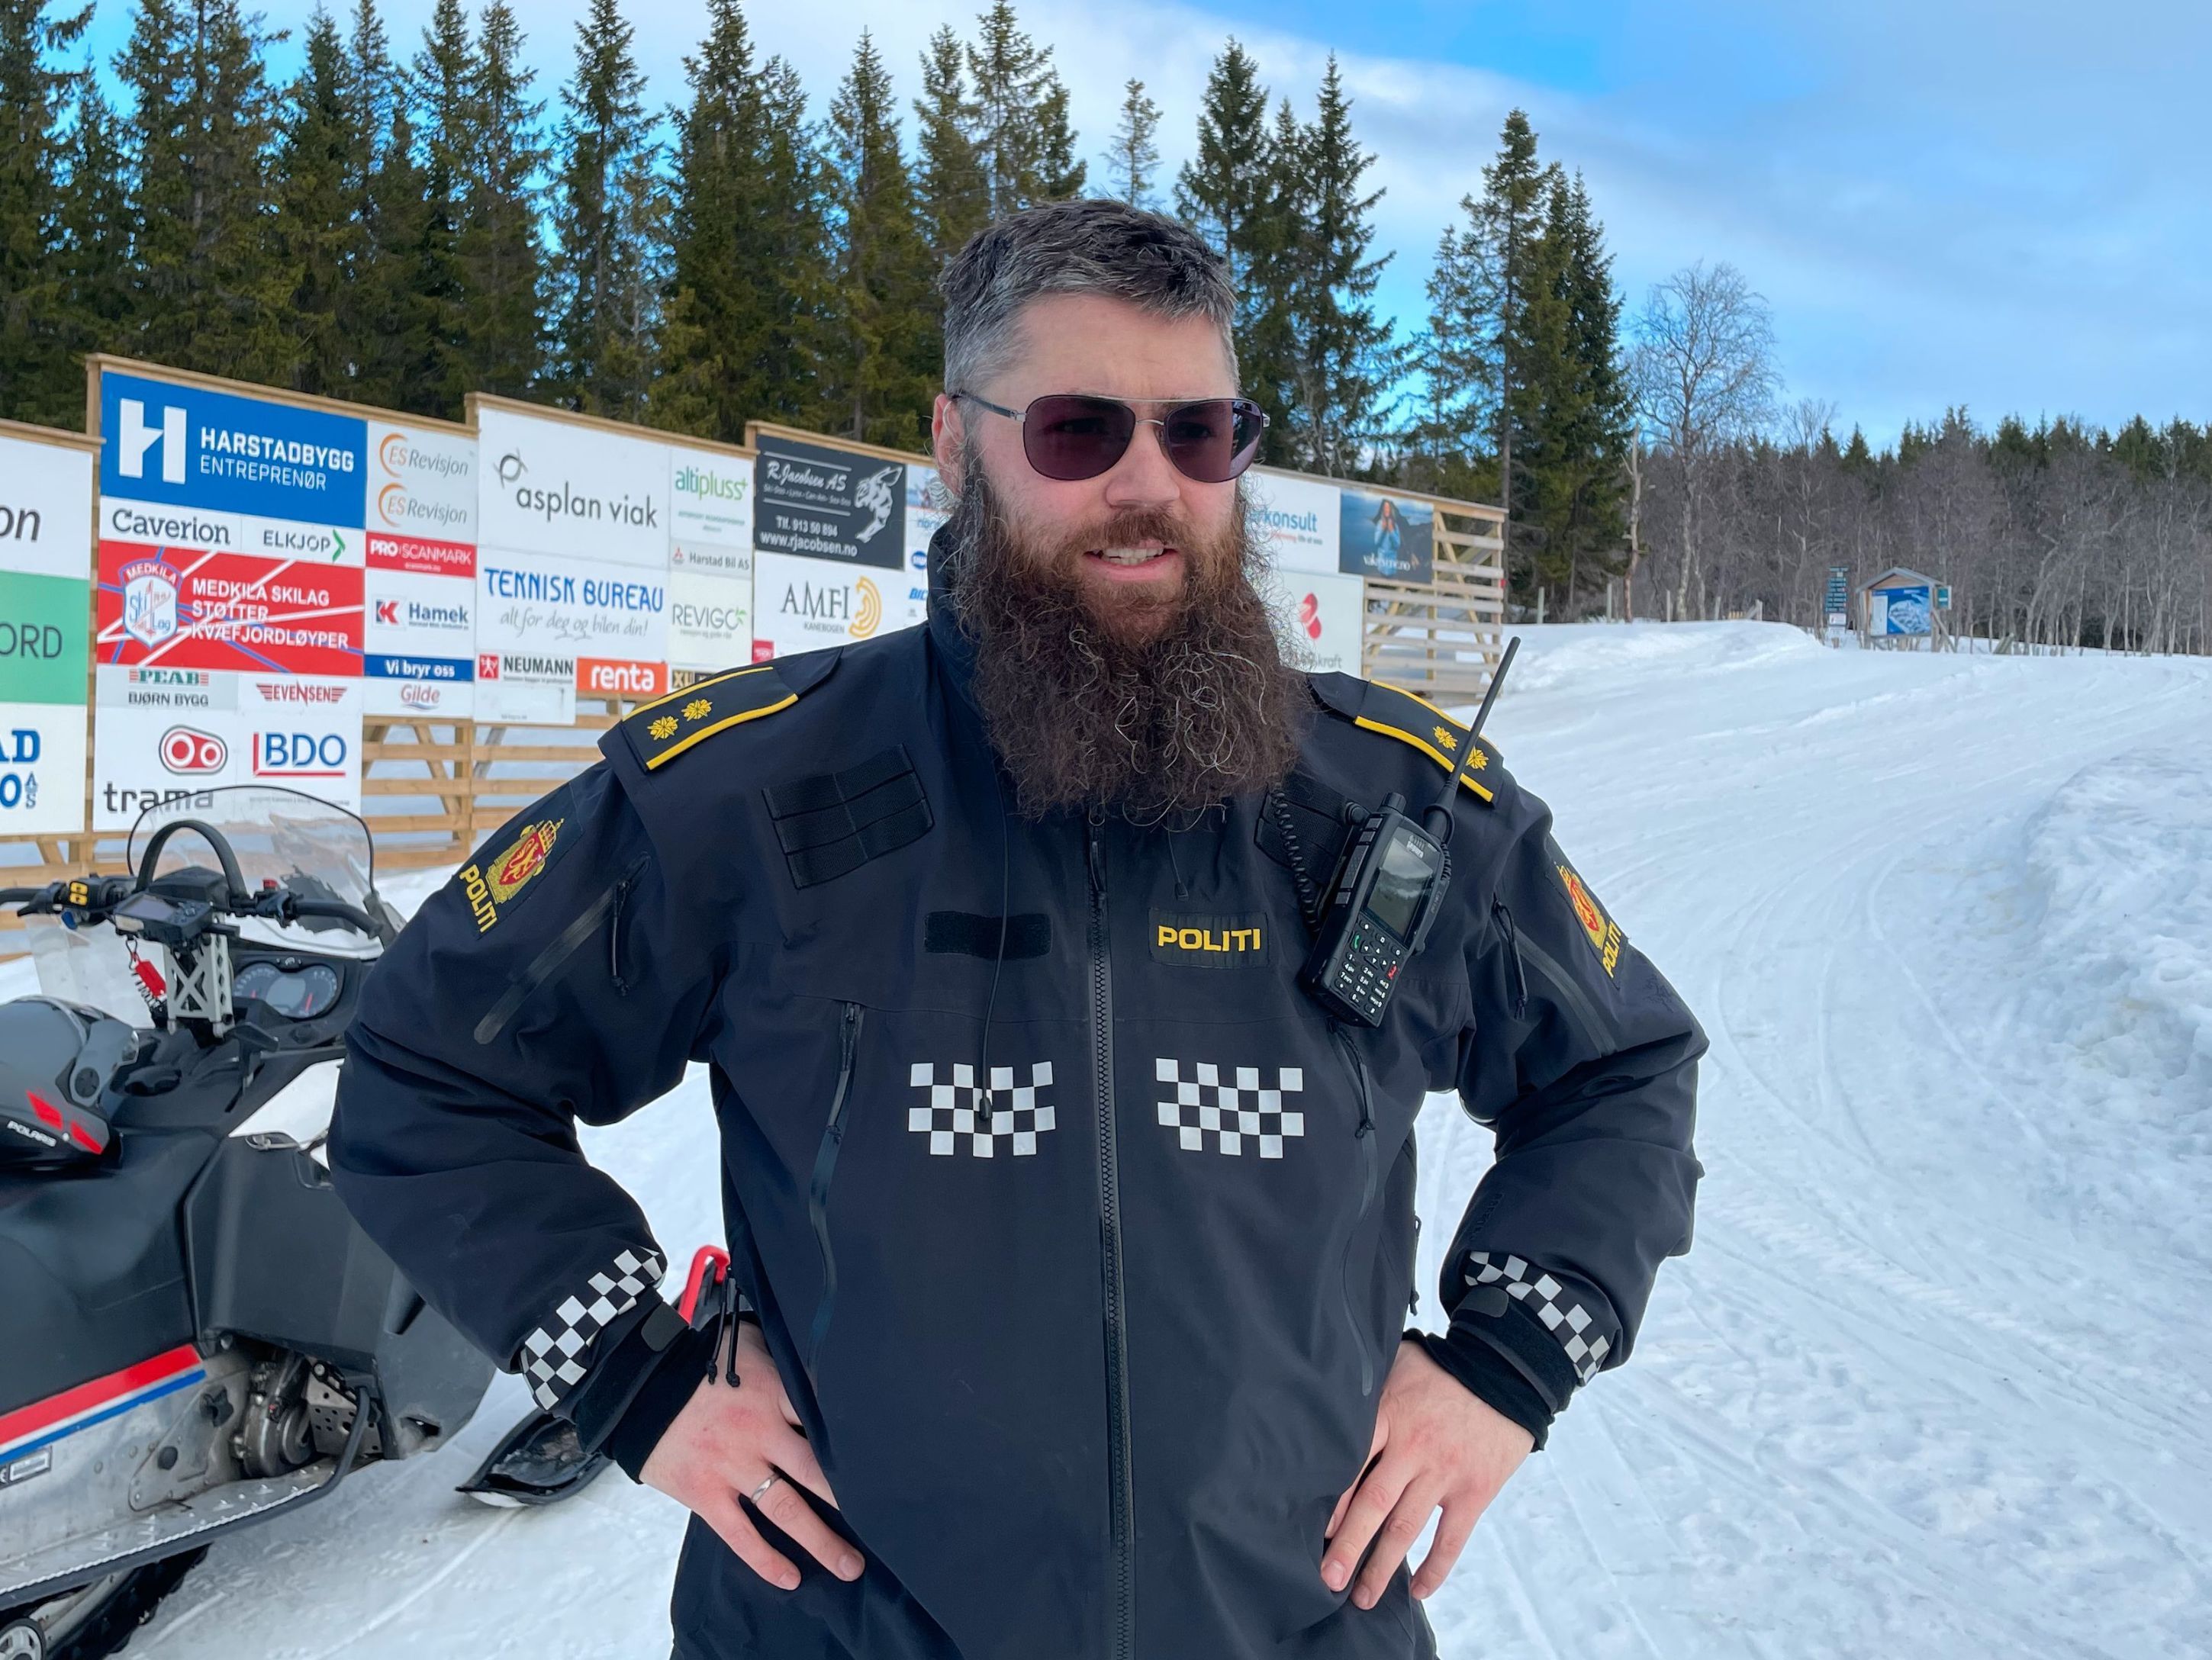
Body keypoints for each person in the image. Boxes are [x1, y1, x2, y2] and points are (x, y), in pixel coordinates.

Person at [328, 198, 1705, 1660]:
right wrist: (636, 1383)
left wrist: (1505, 1365)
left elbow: (1621, 1074)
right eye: (1077, 431)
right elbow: (428, 1068)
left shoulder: (1394, 808)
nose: (1149, 484)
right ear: (952, 441)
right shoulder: (754, 793)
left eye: (1200, 433)